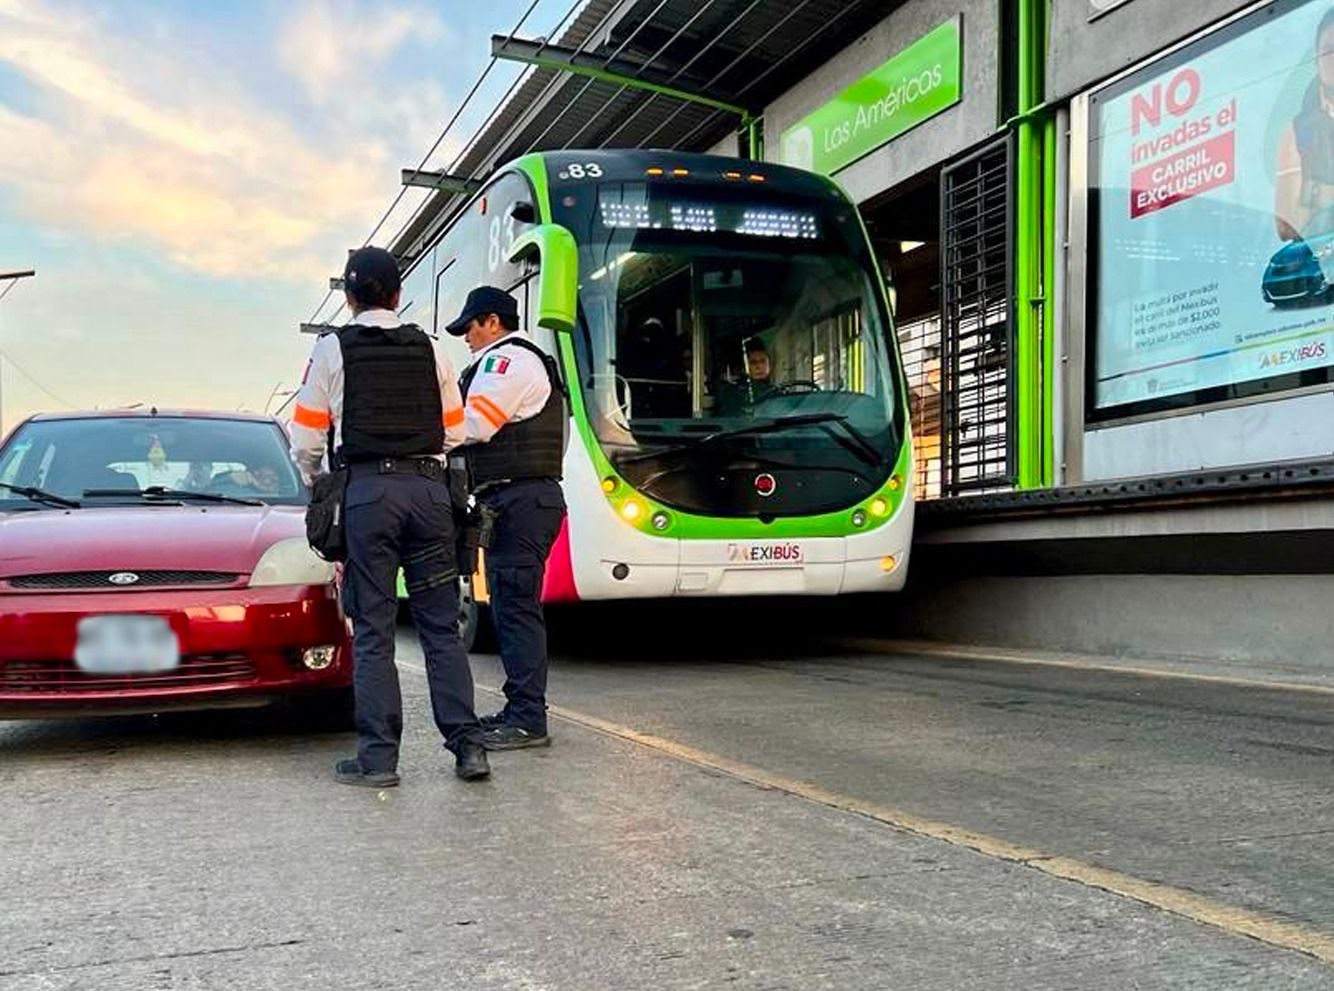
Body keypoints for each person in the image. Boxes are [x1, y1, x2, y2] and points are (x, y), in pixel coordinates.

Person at [289, 246, 489, 786]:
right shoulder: (432, 349)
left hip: (367, 496)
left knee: (374, 631)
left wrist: (321, 486)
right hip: (428, 496)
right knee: (441, 630)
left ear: (350, 297)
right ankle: (469, 748)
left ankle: (379, 760)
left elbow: (306, 439)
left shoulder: (331, 349)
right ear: (398, 294)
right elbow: (456, 431)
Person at [446, 286, 567, 751]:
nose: (467, 338)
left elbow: (475, 425)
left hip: (522, 501)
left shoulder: (509, 362)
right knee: (510, 608)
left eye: (470, 327)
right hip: (517, 500)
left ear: (493, 322)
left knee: (516, 610)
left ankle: (528, 719)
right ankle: (520, 707)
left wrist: (418, 432)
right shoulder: (508, 363)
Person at [1275, 8, 1334, 241]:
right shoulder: (1297, 131)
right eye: (1329, 50)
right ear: (1316, 61)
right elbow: (1286, 226)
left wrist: (1314, 193)